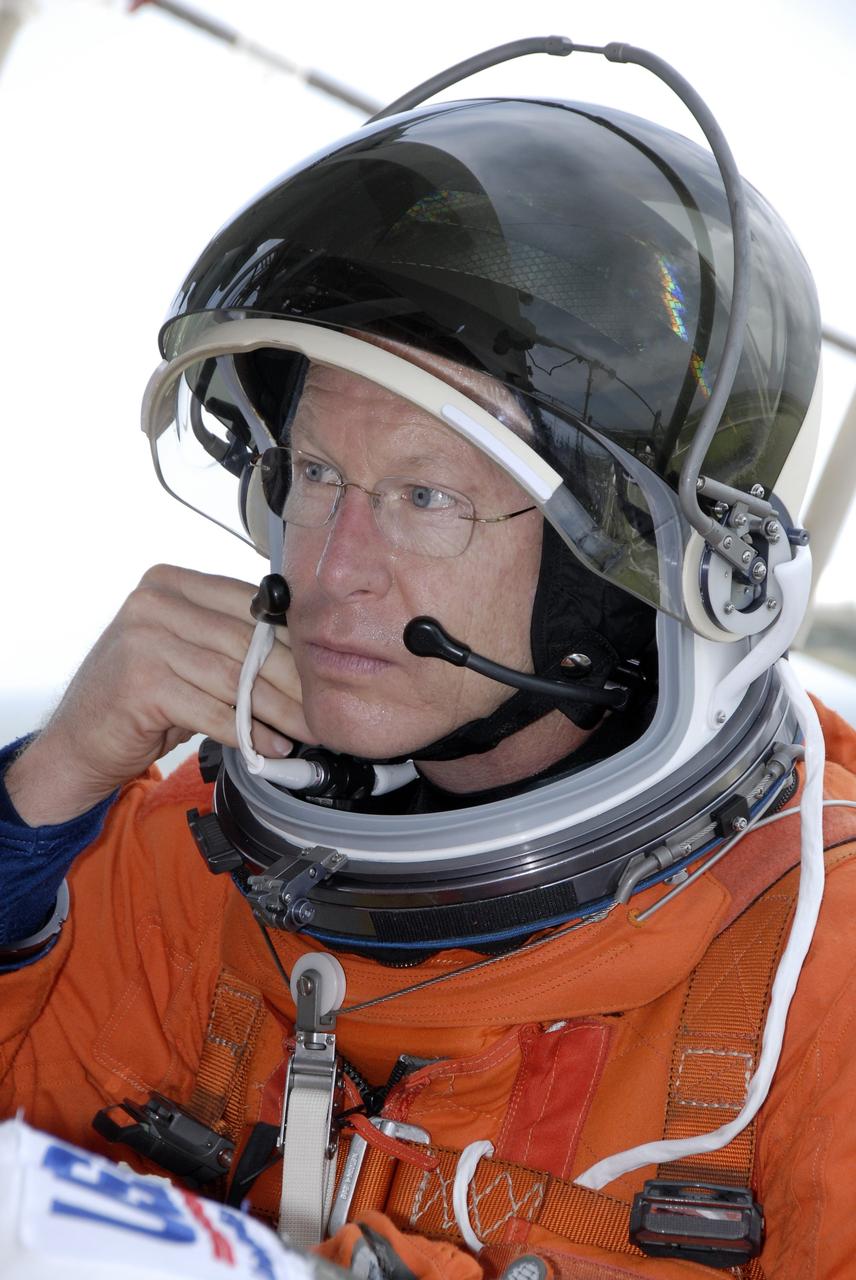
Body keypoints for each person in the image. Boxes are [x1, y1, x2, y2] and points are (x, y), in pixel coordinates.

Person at [2, 47, 856, 1280]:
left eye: (426, 495)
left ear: (619, 565)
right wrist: (46, 792)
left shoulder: (814, 968)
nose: (334, 566)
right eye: (316, 474)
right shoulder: (180, 849)